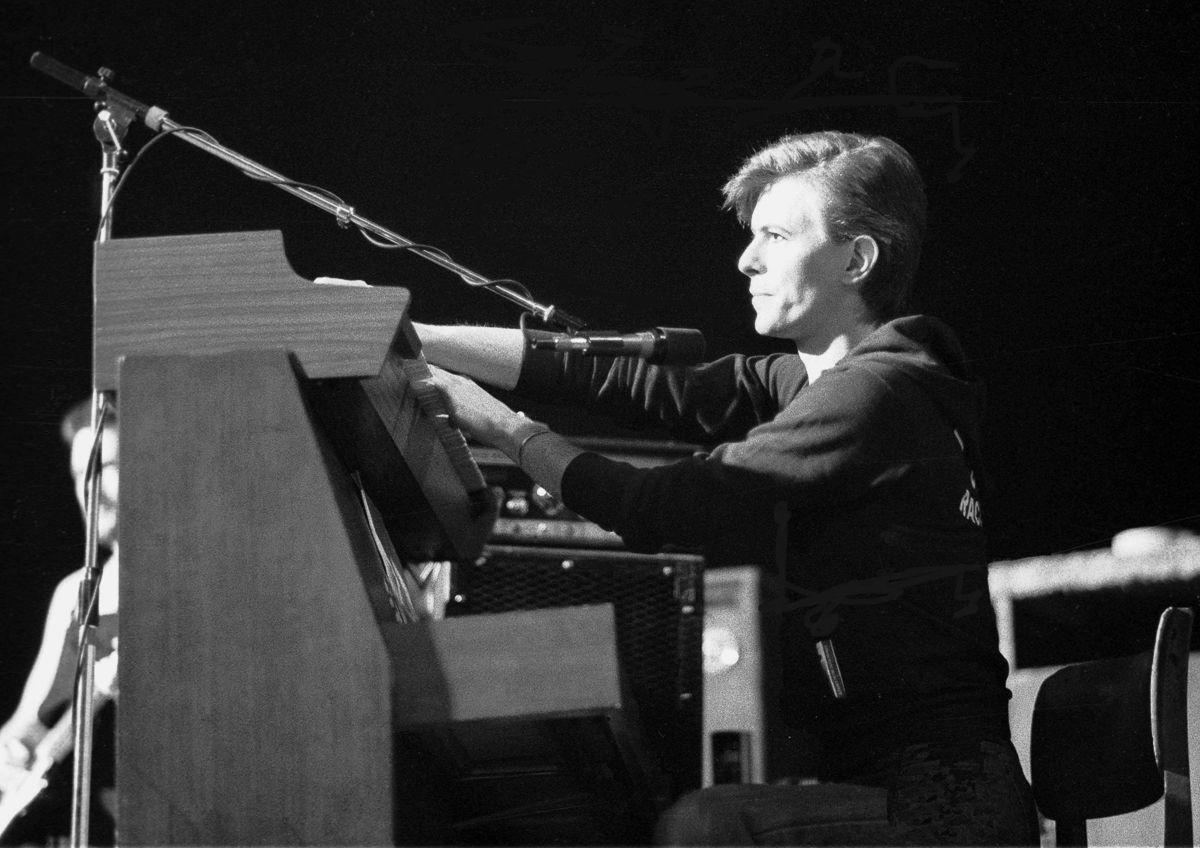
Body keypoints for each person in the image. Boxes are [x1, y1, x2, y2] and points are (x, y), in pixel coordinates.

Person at [410, 130, 1039, 845]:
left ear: (856, 260)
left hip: (944, 810)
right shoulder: (829, 382)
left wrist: (501, 427)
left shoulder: (873, 397)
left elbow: (657, 508)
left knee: (706, 827)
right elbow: (633, 380)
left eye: (777, 235)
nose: (747, 259)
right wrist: (418, 336)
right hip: (902, 788)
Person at [0, 399, 119, 845]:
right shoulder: (75, 591)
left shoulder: (189, 585)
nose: (89, 489)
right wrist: (8, 754)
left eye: (105, 467)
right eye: (78, 474)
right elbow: (26, 723)